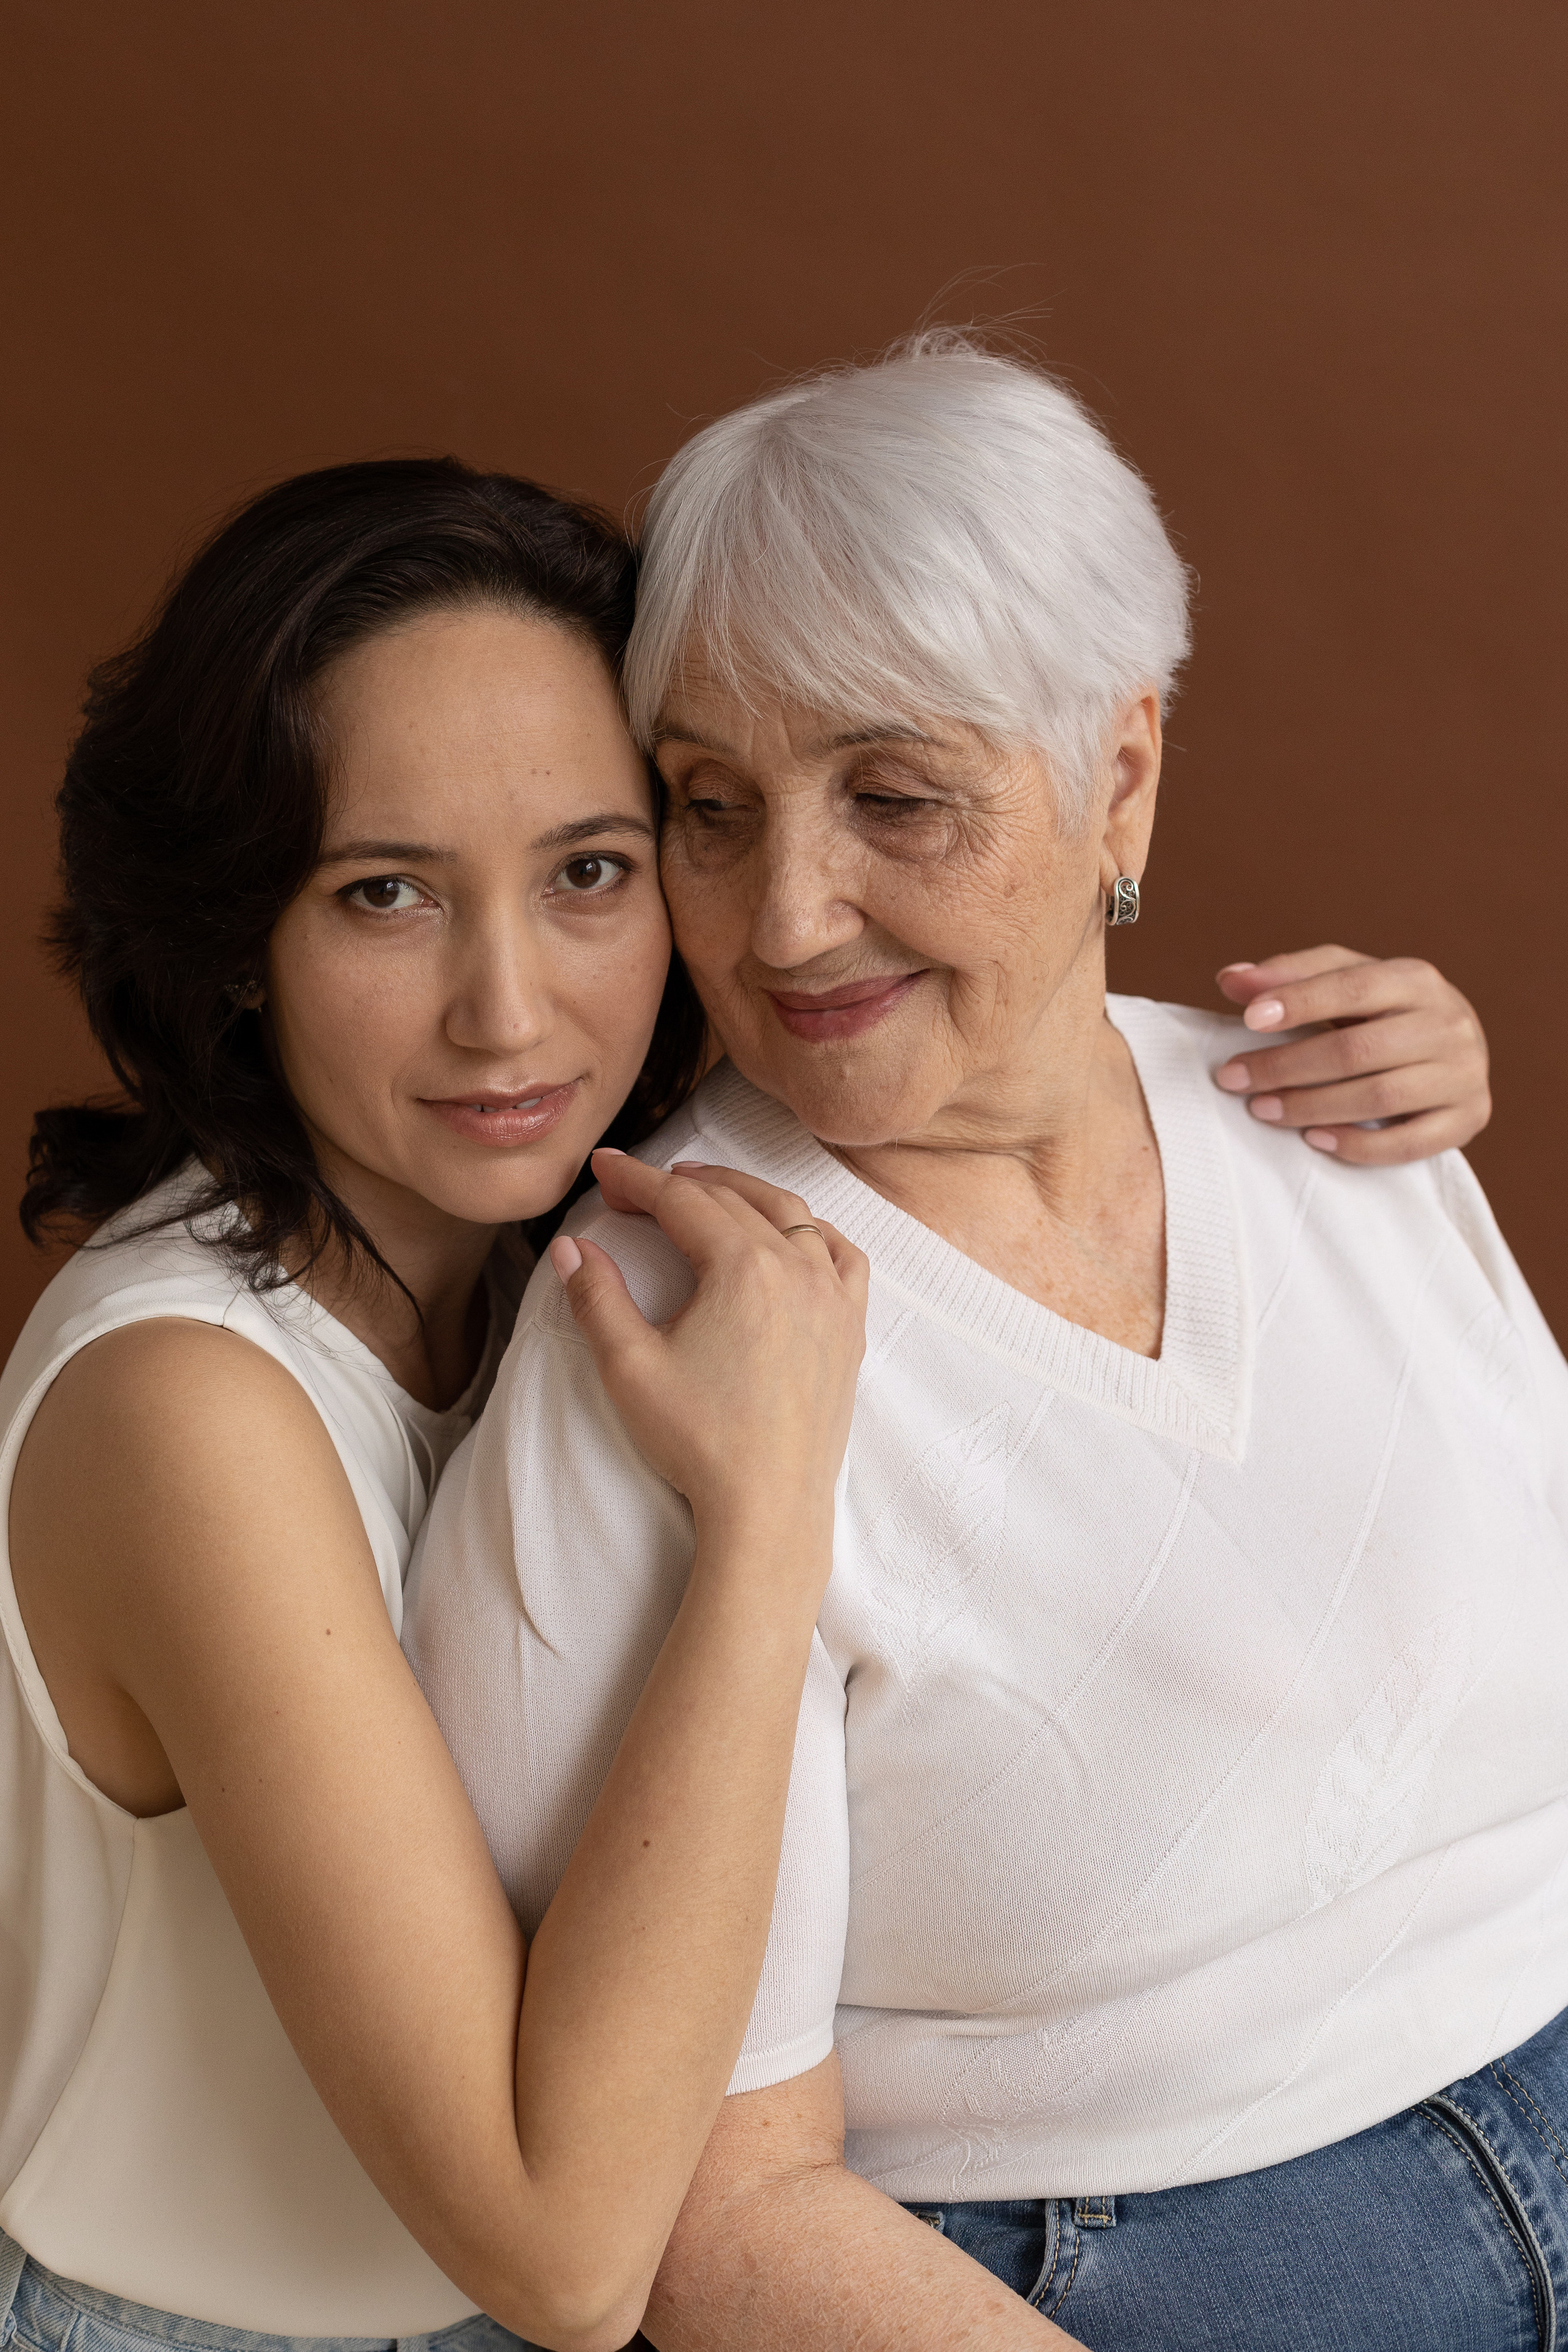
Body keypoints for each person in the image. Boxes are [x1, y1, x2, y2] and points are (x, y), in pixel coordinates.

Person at [405, 337, 1561, 2352]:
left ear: (1119, 775)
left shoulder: (1340, 1118)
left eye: (895, 797)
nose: (784, 919)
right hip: (1149, 2275)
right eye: (709, 809)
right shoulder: (660, 1342)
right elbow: (712, 2217)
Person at [0, 461, 870, 2352]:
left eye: (588, 874)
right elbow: (561, 2260)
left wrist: (1304, 1071)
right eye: (385, 894)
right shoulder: (185, 1409)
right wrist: (766, 1530)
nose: (509, 1011)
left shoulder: (568, 1247)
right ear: (238, 937)